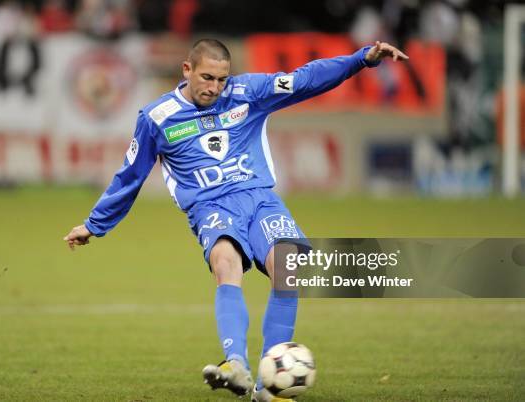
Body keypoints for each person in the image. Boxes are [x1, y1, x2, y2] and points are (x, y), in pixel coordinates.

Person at [64, 38, 408, 402]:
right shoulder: (157, 119)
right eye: (207, 77)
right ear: (187, 70)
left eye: (221, 80)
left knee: (286, 267)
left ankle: (269, 387)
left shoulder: (248, 93)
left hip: (259, 199)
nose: (214, 88)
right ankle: (235, 364)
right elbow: (130, 176)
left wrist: (362, 59)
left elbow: (305, 79)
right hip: (211, 206)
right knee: (226, 263)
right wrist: (95, 224)